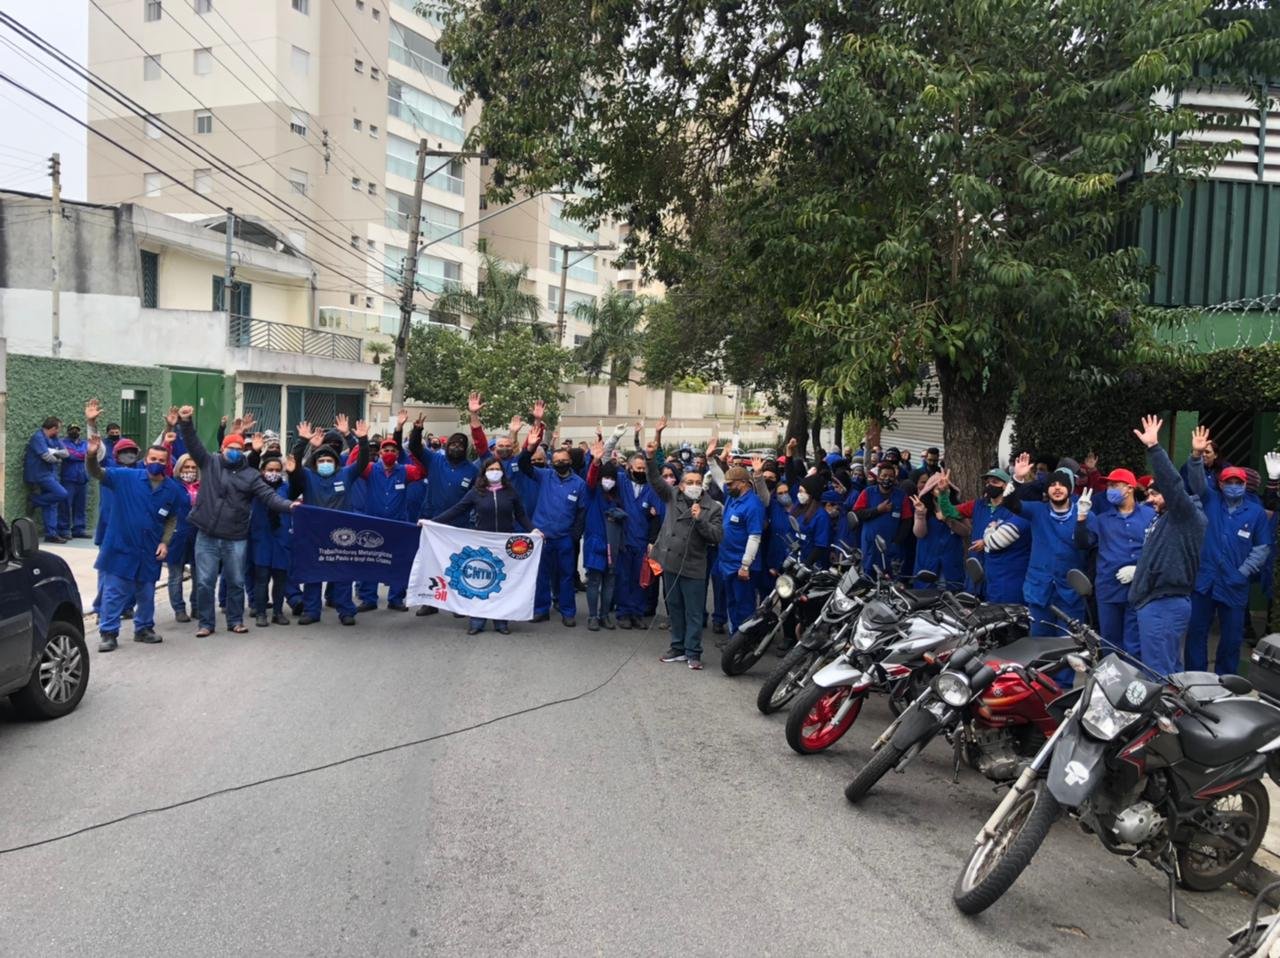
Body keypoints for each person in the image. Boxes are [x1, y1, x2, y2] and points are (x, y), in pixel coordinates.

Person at [176, 405, 298, 637]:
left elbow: (269, 496)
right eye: (230, 448)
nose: (234, 451)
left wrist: (288, 506)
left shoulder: (251, 475)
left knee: (236, 581)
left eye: (238, 449)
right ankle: (206, 623)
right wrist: (185, 421)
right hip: (206, 534)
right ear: (222, 448)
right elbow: (192, 442)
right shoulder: (209, 462)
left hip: (235, 537)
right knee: (205, 582)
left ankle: (235, 621)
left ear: (243, 451)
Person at [1184, 426, 1272, 675]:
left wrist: (1243, 572)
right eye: (1228, 482)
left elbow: (1262, 547)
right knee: (1196, 633)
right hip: (1204, 581)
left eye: (1238, 482)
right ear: (1220, 484)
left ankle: (1226, 681)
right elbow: (1196, 481)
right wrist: (1196, 455)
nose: (1233, 486)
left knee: (1232, 639)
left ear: (1244, 485)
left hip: (1234, 584)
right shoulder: (1211, 500)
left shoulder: (1255, 512)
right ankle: (1195, 678)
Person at [86, 436, 185, 652]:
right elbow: (97, 473)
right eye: (153, 459)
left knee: (146, 593)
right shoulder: (125, 477)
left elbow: (171, 518)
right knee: (114, 593)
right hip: (121, 547)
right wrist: (91, 455)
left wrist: (165, 542)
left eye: (161, 460)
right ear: (146, 460)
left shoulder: (172, 489)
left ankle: (144, 629)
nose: (156, 462)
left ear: (167, 462)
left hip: (149, 549)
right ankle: (109, 633)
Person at [1127, 415, 1208, 675]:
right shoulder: (1164, 518)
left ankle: (1163, 703)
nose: (1150, 499)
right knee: (1168, 671)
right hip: (1154, 603)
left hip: (1165, 604)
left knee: (1159, 673)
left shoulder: (1185, 514)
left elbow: (1173, 485)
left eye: (1155, 494)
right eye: (1149, 494)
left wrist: (1154, 448)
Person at [433, 454, 533, 635]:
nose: (494, 472)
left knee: (502, 583)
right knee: (480, 583)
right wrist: (433, 522)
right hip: (482, 544)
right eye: (490, 469)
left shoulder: (510, 492)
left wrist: (534, 531)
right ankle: (477, 621)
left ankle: (501, 622)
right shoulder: (476, 492)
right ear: (484, 472)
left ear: (502, 472)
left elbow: (521, 515)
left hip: (504, 544)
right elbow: (457, 510)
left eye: (497, 469)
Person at [287, 417, 371, 626]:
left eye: (329, 460)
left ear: (336, 462)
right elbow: (294, 465)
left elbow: (363, 461)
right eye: (321, 461)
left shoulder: (346, 474)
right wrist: (303, 441)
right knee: (313, 572)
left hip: (342, 534)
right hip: (314, 534)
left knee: (342, 573)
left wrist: (361, 440)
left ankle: (346, 610)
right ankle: (311, 610)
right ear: (315, 463)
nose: (325, 463)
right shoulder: (308, 476)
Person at [650, 453, 723, 669]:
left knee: (694, 612)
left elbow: (716, 536)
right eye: (689, 482)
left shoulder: (713, 507)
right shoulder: (672, 496)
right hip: (671, 562)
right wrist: (650, 459)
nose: (694, 486)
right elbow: (655, 480)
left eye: (698, 482)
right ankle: (677, 647)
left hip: (694, 566)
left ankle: (693, 652)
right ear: (681, 486)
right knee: (675, 608)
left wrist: (700, 520)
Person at [1074, 466, 1154, 657]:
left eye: (1114, 485)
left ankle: (1133, 676)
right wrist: (1081, 517)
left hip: (1139, 588)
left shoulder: (1150, 515)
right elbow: (1083, 543)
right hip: (1108, 589)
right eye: (1108, 486)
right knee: (1109, 642)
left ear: (1129, 488)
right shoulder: (1102, 519)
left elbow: (1159, 550)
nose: (1109, 489)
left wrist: (1139, 569)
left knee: (1135, 644)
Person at [1006, 458, 1091, 633]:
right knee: (1038, 642)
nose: (1057, 488)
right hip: (1039, 590)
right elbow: (1011, 504)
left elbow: (1084, 544)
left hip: (1070, 594)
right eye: (1053, 485)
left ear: (1070, 489)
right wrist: (1017, 478)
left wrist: (1082, 519)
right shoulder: (1038, 510)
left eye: (1062, 485)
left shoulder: (1083, 511)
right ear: (1047, 489)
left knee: (1069, 644)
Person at [517, 420, 587, 626]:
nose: (560, 463)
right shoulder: (544, 475)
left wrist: (575, 535)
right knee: (541, 575)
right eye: (556, 460)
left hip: (565, 538)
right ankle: (541, 609)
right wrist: (530, 447)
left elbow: (582, 512)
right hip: (542, 536)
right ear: (551, 462)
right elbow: (523, 465)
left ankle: (567, 611)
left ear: (570, 461)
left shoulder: (579, 484)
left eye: (564, 460)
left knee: (566, 576)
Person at [356, 410, 426, 612]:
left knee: (399, 560)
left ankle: (396, 598)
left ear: (397, 454)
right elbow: (355, 464)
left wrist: (414, 446)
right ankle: (368, 598)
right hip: (373, 523)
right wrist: (360, 440)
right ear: (379, 453)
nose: (389, 453)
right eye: (385, 450)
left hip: (398, 523)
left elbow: (422, 471)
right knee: (370, 560)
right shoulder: (370, 469)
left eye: (393, 450)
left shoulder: (405, 471)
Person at [957, 469, 1032, 603]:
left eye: (995, 482)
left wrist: (987, 538)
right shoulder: (979, 504)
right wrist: (943, 494)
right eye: (988, 482)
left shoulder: (1017, 513)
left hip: (1004, 577)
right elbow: (950, 511)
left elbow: (997, 541)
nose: (989, 485)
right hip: (978, 569)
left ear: (1006, 486)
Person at [716, 465, 766, 635]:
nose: (727, 487)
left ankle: (745, 644)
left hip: (741, 566)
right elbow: (718, 479)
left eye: (730, 484)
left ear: (743, 483)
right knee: (732, 604)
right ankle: (734, 640)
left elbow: (754, 536)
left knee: (744, 607)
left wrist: (745, 565)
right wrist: (711, 461)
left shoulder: (753, 505)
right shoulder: (733, 497)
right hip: (727, 562)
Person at [582, 445, 627, 631]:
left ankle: (605, 615)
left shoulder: (617, 498)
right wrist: (595, 461)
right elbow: (591, 479)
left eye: (612, 478)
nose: (608, 481)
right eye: (605, 477)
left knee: (609, 582)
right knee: (594, 581)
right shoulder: (593, 492)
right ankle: (592, 616)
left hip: (613, 544)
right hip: (595, 542)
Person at [249, 453, 294, 628]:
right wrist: (255, 452)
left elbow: (299, 482)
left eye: (277, 470)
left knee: (280, 578)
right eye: (270, 470)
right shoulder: (255, 488)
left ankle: (278, 612)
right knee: (261, 579)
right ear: (262, 471)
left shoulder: (286, 487)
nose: (273, 473)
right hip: (261, 539)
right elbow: (249, 468)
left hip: (281, 538)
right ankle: (261, 613)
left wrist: (293, 470)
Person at [852, 461, 914, 576]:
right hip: (870, 546)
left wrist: (896, 542)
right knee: (868, 577)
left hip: (891, 548)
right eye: (884, 475)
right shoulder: (868, 492)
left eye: (891, 476)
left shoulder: (901, 496)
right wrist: (878, 510)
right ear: (878, 477)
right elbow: (857, 513)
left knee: (889, 579)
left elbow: (907, 521)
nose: (887, 479)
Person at [910, 470, 969, 589]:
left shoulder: (957, 507)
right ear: (931, 491)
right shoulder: (923, 507)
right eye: (938, 489)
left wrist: (949, 520)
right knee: (926, 594)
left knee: (950, 594)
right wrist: (920, 515)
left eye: (945, 488)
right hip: (928, 559)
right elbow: (919, 534)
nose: (942, 491)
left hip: (951, 560)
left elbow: (966, 531)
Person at [25, 415, 70, 542]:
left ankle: (51, 534)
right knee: (61, 494)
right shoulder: (38, 437)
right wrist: (58, 458)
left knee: (51, 503)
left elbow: (66, 453)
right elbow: (46, 457)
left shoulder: (54, 438)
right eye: (58, 428)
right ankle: (34, 500)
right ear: (53, 428)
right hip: (39, 474)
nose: (59, 431)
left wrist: (54, 453)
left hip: (50, 473)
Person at [167, 454, 200, 623]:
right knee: (176, 575)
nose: (190, 470)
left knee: (199, 574)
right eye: (186, 467)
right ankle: (179, 609)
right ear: (179, 468)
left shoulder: (203, 486)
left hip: (198, 535)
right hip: (176, 535)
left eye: (193, 467)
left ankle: (197, 606)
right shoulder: (171, 486)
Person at [55, 423, 89, 539]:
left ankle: (79, 529)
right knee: (65, 505)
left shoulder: (84, 443)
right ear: (68, 431)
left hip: (82, 478)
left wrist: (77, 454)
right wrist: (80, 455)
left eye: (76, 430)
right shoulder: (63, 443)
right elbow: (69, 455)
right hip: (68, 478)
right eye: (72, 429)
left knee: (80, 506)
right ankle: (64, 529)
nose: (74, 431)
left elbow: (87, 455)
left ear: (80, 431)